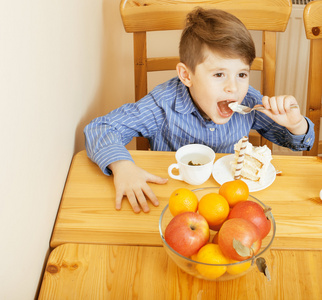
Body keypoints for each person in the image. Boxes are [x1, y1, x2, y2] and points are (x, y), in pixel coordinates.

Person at [84, 8, 314, 213]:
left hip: (230, 203)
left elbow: (299, 142)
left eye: (242, 74)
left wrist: (295, 125)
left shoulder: (250, 102)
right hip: (173, 203)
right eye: (218, 74)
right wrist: (123, 166)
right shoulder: (162, 105)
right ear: (187, 75)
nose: (233, 87)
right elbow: (101, 128)